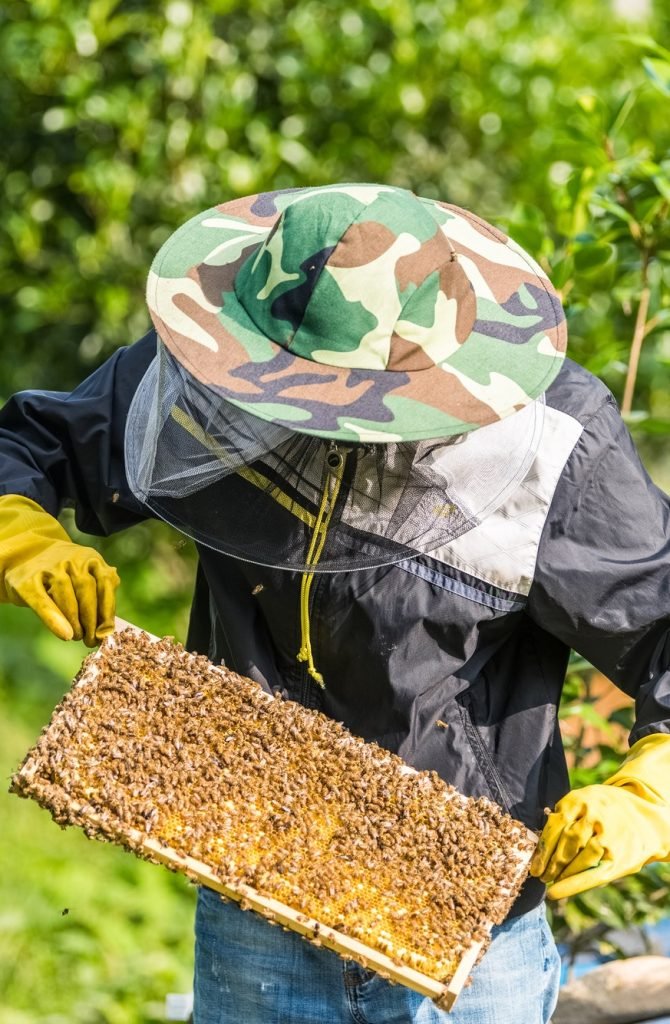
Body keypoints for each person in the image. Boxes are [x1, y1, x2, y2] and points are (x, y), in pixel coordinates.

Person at [1, 183, 669, 1024]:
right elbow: (30, 444)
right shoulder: (214, 367)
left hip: (471, 937)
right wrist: (20, 526)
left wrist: (653, 789)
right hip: (256, 902)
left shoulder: (556, 442)